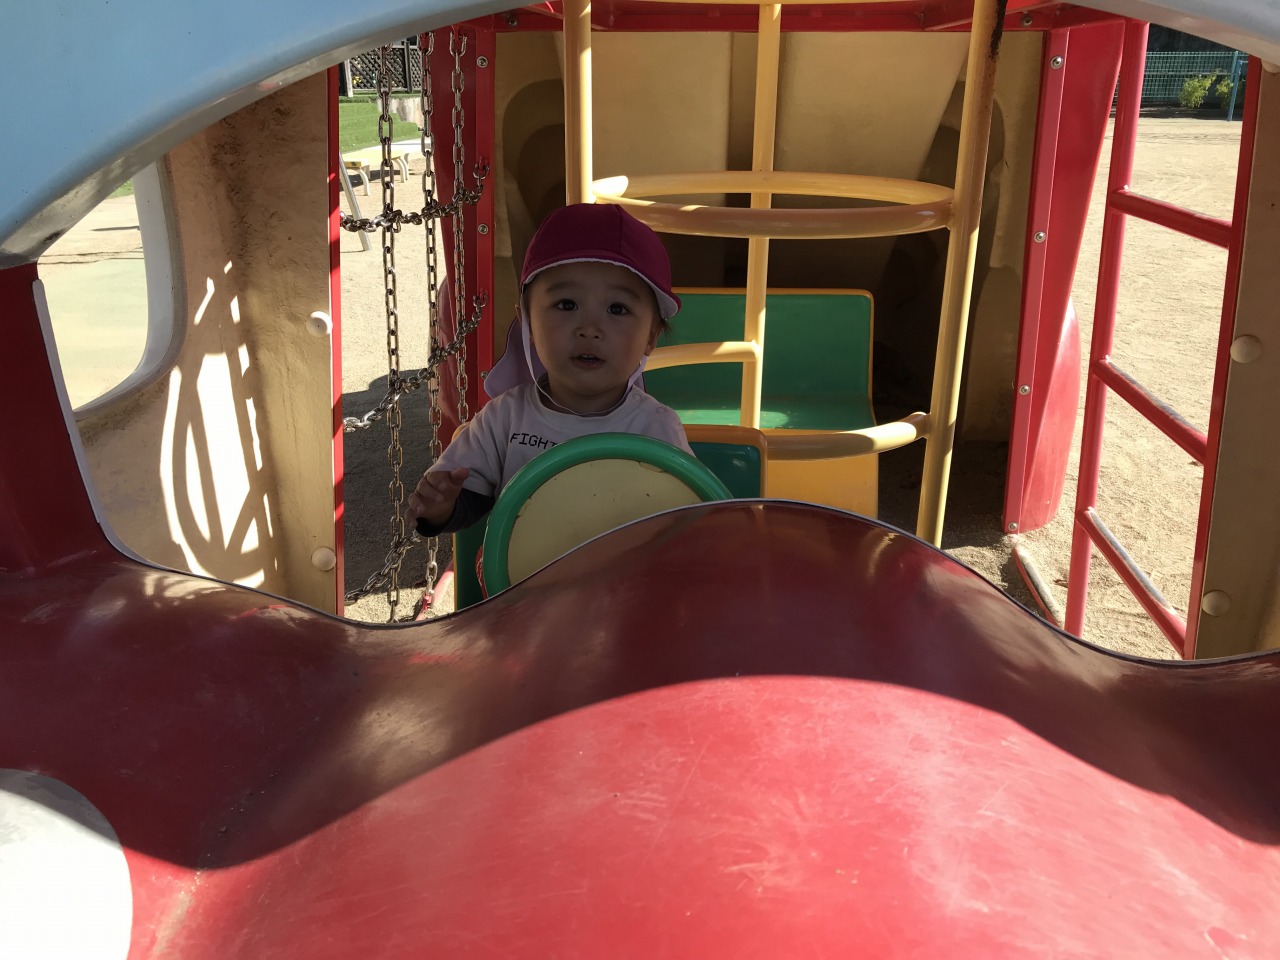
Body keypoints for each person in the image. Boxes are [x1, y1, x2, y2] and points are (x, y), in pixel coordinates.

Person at [406, 202, 692, 537]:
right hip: (521, 568)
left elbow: (684, 517)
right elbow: (466, 495)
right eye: (566, 305)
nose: (589, 328)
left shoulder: (655, 428)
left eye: (617, 309)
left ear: (651, 337)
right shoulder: (504, 418)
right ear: (527, 323)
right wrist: (441, 506)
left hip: (622, 568)